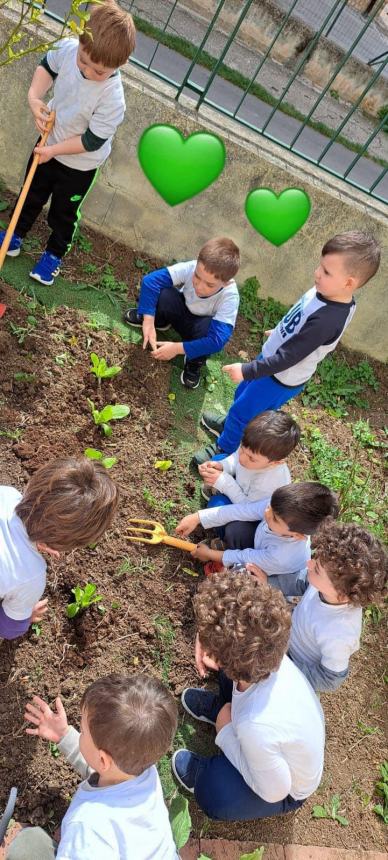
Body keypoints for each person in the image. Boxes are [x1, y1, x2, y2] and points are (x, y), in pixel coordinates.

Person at [193, 231, 381, 463]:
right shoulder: (328, 292)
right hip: (271, 362)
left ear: (349, 283)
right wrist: (281, 332)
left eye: (326, 271)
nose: (317, 273)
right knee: (242, 397)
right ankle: (230, 425)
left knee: (246, 412)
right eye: (320, 266)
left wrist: (246, 370)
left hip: (278, 377)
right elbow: (301, 321)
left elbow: (289, 358)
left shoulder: (327, 320)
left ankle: (224, 449)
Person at [0, 2, 136, 286]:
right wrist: (35, 99)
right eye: (83, 61)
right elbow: (46, 68)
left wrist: (53, 151)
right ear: (80, 42)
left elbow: (91, 140)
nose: (87, 71)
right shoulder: (68, 48)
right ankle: (14, 235)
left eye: (97, 70)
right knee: (31, 191)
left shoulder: (113, 99)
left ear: (121, 64)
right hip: (48, 142)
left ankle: (54, 254)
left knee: (64, 212)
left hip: (79, 163)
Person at [171, 572, 325, 821]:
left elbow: (275, 791)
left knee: (216, 793)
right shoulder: (266, 650)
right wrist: (207, 639)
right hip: (266, 735)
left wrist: (226, 732)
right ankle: (224, 708)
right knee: (227, 677)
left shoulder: (256, 726)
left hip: (284, 788)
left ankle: (205, 772)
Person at [6, 674, 178, 859]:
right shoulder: (144, 772)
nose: (80, 734)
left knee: (27, 846)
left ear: (103, 760)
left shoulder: (86, 826)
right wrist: (64, 735)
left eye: (83, 733)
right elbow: (104, 770)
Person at [251, 520, 388, 692]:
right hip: (287, 634)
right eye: (315, 558)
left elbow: (329, 679)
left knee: (255, 679)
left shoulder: (340, 633)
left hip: (293, 663)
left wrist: (284, 670)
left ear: (341, 593)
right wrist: (267, 582)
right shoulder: (329, 584)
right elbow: (301, 581)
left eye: (317, 569)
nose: (309, 564)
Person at [0, 458, 118, 640]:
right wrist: (26, 616)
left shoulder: (6, 494)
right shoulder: (30, 576)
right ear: (63, 545)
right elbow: (8, 630)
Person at [123, 237, 240, 389]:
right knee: (164, 293)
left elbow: (217, 341)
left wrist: (177, 349)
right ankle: (160, 321)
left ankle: (193, 362)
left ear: (226, 282)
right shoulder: (192, 267)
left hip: (198, 330)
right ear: (197, 263)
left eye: (209, 284)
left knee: (209, 332)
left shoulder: (230, 296)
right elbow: (150, 281)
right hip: (181, 310)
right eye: (197, 277)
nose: (199, 285)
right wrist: (148, 320)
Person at [175, 482, 339, 581]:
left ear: (297, 535)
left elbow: (244, 556)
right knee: (234, 525)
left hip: (266, 574)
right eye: (270, 507)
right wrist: (198, 517)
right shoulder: (280, 508)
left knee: (242, 575)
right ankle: (223, 552)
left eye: (274, 518)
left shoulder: (282, 556)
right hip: (259, 546)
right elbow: (243, 511)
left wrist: (209, 554)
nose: (267, 512)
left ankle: (223, 568)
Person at [198, 409, 299, 505]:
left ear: (274, 463)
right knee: (217, 461)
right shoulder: (254, 447)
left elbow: (248, 507)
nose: (242, 458)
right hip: (239, 485)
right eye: (242, 448)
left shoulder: (268, 484)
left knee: (217, 504)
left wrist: (225, 483)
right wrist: (222, 466)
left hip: (246, 502)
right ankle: (215, 489)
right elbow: (236, 457)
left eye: (251, 459)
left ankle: (217, 494)